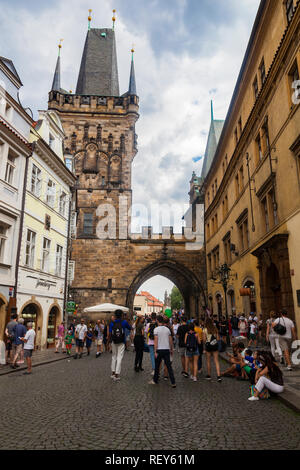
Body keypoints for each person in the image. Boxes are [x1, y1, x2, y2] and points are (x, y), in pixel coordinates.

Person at [149, 315, 176, 388]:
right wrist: (171, 349)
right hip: (166, 349)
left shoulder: (156, 329)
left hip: (159, 350)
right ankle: (173, 382)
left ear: (157, 321)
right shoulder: (167, 329)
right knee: (169, 366)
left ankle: (155, 380)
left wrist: (155, 351)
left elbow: (155, 341)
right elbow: (170, 340)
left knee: (157, 366)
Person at [109, 310, 132, 381]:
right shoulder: (124, 322)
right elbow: (130, 328)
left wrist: (110, 341)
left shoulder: (112, 323)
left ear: (115, 315)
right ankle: (117, 374)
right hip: (121, 341)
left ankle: (112, 373)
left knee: (114, 357)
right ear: (121, 315)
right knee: (119, 357)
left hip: (114, 341)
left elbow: (110, 332)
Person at [203, 318, 222, 382]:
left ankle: (209, 375)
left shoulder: (205, 330)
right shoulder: (215, 328)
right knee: (216, 361)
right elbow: (218, 338)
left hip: (208, 346)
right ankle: (219, 376)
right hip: (215, 346)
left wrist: (205, 345)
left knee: (208, 361)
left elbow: (204, 340)